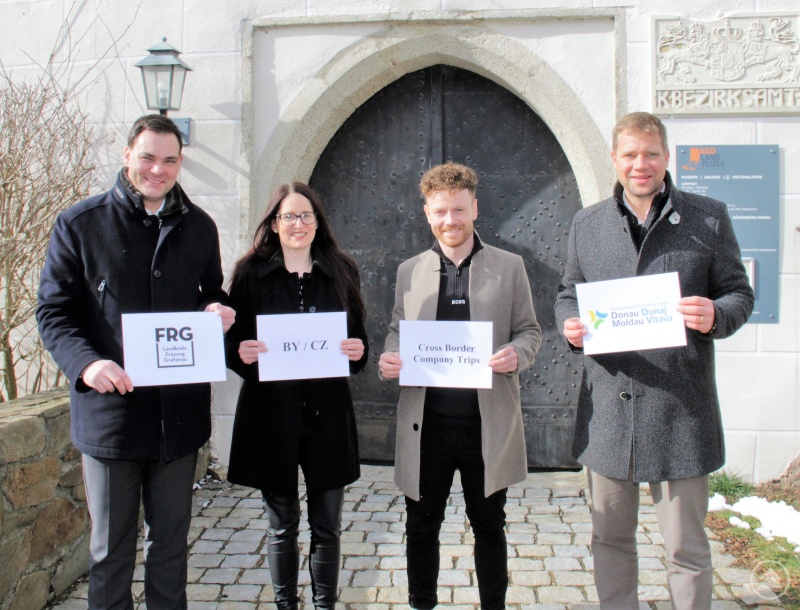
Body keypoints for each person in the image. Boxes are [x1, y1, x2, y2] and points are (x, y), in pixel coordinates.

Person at [554, 112, 754, 609]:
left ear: (666, 157)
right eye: (630, 154)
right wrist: (570, 325)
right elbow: (566, 295)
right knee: (610, 540)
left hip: (681, 408)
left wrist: (714, 314)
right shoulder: (588, 223)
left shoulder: (708, 216)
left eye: (650, 153)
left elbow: (738, 294)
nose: (640, 164)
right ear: (615, 160)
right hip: (610, 410)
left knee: (685, 548)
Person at [36, 114, 235, 610]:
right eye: (147, 157)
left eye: (169, 160)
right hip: (111, 419)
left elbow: (210, 291)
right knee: (109, 555)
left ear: (180, 162)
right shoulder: (79, 224)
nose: (157, 169)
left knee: (170, 552)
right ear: (127, 155)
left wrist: (217, 308)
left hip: (179, 419)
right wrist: (87, 365)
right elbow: (53, 312)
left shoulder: (201, 227)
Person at [378, 162, 541, 610]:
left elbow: (530, 331)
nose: (450, 220)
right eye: (440, 211)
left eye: (459, 210)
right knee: (421, 526)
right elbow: (397, 328)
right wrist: (390, 357)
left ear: (475, 209)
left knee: (489, 525)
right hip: (425, 426)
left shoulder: (509, 267)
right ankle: (421, 605)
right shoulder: (409, 270)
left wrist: (516, 354)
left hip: (486, 427)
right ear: (427, 213)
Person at [224, 181, 368, 610]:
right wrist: (241, 352)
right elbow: (233, 345)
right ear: (274, 223)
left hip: (328, 415)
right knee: (282, 524)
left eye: (306, 215)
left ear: (318, 221)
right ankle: (287, 605)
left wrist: (357, 350)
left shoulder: (342, 269)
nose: (298, 224)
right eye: (288, 216)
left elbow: (359, 342)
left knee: (328, 525)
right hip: (271, 415)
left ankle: (324, 605)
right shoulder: (249, 273)